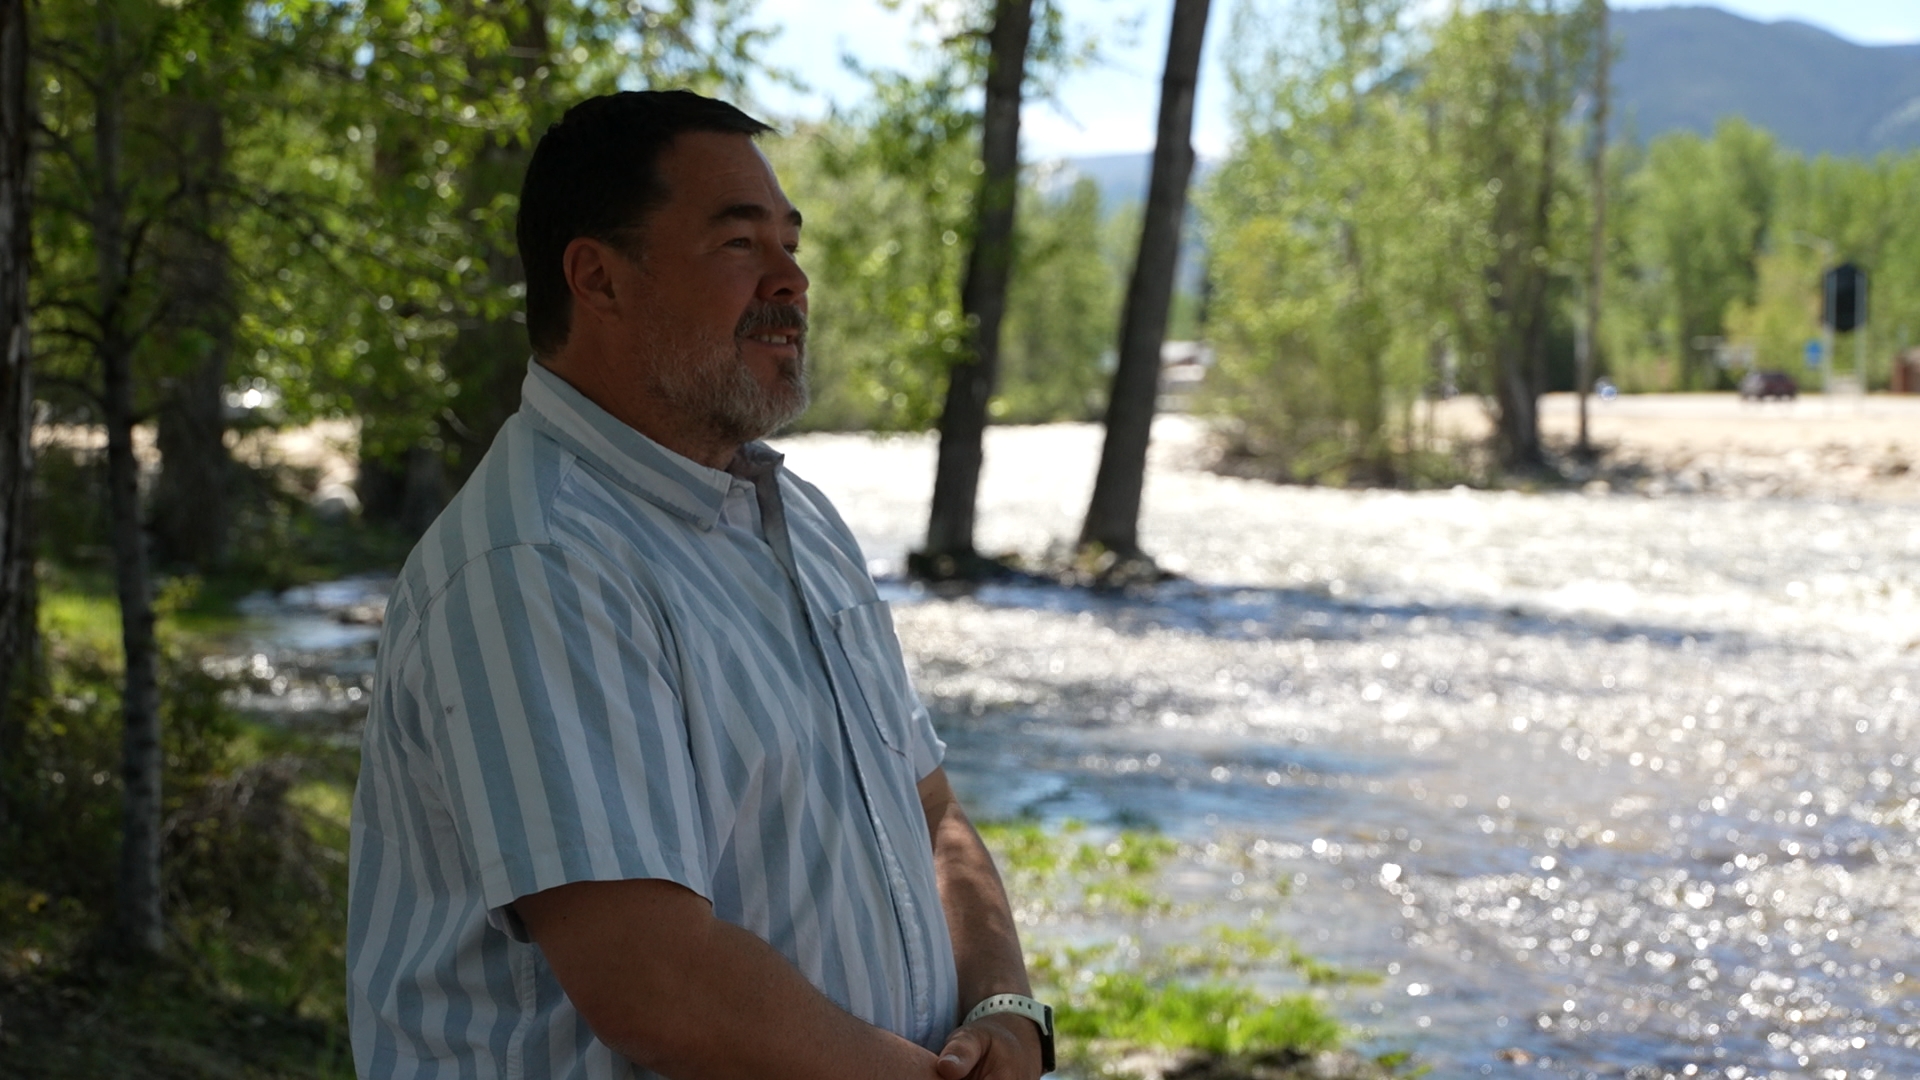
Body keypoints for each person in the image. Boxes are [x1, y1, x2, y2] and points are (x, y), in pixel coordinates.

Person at [346, 90, 1053, 1080]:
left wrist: (1008, 1008)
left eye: (790, 243)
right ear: (597, 278)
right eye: (738, 245)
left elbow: (929, 811)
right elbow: (658, 983)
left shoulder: (797, 519)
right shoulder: (536, 566)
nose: (792, 280)